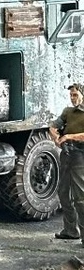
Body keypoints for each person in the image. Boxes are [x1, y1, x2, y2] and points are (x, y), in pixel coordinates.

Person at [50, 83, 84, 244]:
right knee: (63, 193)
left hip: (80, 155)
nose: (72, 98)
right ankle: (71, 230)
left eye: (75, 95)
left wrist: (69, 137)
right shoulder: (68, 112)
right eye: (71, 95)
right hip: (66, 154)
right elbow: (53, 126)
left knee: (80, 198)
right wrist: (56, 137)